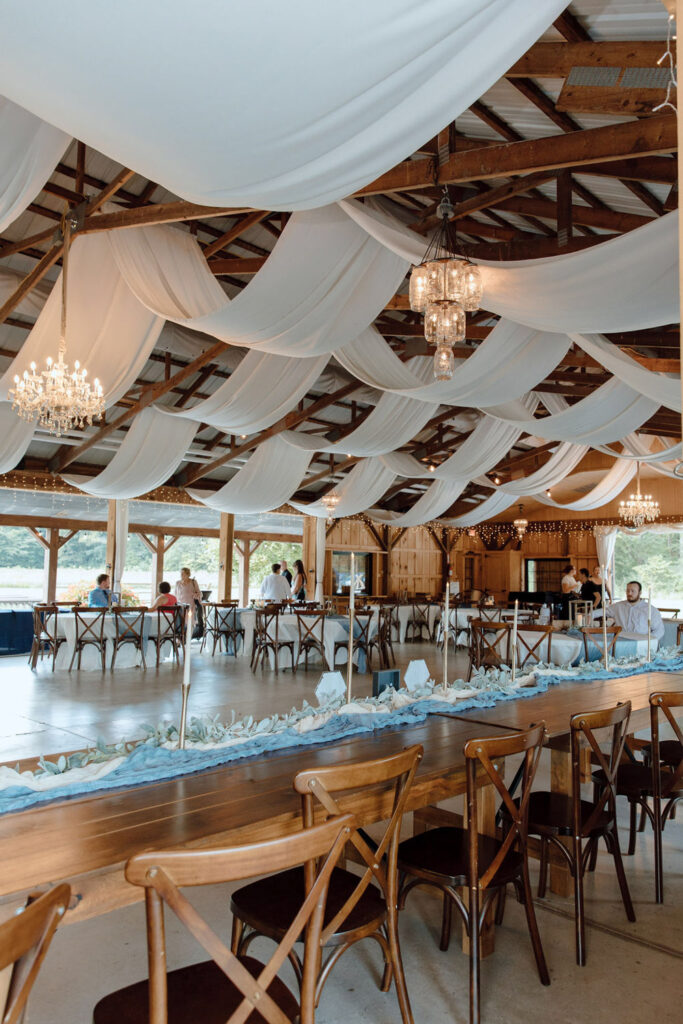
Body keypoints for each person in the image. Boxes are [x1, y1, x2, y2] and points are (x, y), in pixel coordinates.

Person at [176, 567, 203, 637]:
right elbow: (176, 594)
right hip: (181, 605)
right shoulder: (178, 583)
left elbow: (200, 593)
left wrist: (196, 595)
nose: (181, 575)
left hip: (191, 605)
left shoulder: (193, 582)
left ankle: (188, 638)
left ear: (188, 574)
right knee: (180, 622)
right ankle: (180, 639)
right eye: (181, 574)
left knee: (190, 622)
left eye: (183, 574)